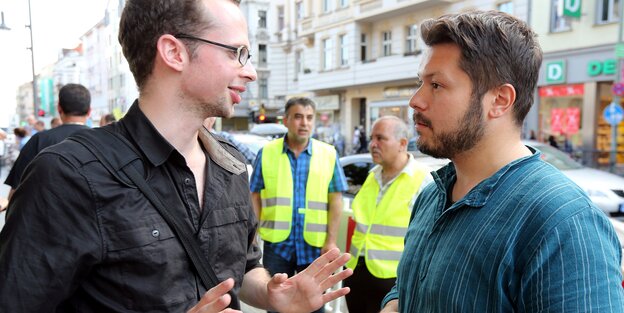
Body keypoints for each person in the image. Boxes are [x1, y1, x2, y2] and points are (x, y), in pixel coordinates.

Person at [0, 1, 352, 312]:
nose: (250, 71)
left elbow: (243, 269)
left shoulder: (229, 163)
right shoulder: (69, 174)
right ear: (174, 52)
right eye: (236, 53)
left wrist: (275, 295)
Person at [380, 10, 624, 312]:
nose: (416, 100)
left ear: (499, 100)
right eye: (421, 82)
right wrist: (394, 304)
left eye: (437, 85)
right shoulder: (433, 195)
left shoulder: (563, 223)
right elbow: (413, 285)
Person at [250, 96, 348, 313]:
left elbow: (336, 200)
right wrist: (252, 237)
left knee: (314, 306)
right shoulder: (266, 153)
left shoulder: (328, 154)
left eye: (309, 117)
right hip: (278, 244)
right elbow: (254, 196)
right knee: (275, 304)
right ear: (285, 120)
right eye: (298, 117)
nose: (304, 123)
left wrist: (330, 240)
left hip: (314, 245)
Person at [344, 115, 432, 313]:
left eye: (380, 138)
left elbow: (429, 239)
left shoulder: (423, 180)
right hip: (356, 272)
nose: (373, 144)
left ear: (402, 143)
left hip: (393, 283)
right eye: (372, 138)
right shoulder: (372, 176)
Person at [2, 83, 91, 213]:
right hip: (91, 225)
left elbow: (17, 187)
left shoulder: (39, 140)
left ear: (59, 108)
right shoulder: (105, 142)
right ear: (89, 111)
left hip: (45, 221)